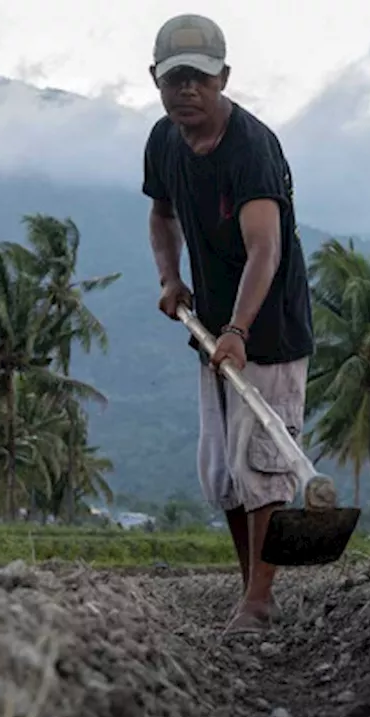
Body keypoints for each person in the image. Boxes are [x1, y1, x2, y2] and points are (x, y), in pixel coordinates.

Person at [141, 13, 314, 637]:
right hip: (212, 330)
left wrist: (240, 330)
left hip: (268, 329)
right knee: (227, 475)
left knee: (265, 467)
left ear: (224, 79)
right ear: (156, 81)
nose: (188, 90)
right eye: (176, 79)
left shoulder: (251, 150)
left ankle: (260, 602)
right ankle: (251, 590)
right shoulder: (164, 141)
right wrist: (170, 278)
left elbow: (264, 249)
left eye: (200, 79)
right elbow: (162, 216)